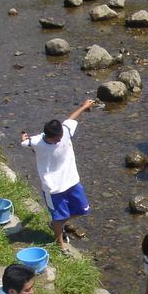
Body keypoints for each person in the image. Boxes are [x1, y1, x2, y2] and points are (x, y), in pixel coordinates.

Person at [21, 99, 94, 250]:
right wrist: (24, 139)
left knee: (83, 209)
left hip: (72, 181)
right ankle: (60, 243)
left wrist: (84, 106)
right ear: (47, 136)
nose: (59, 140)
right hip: (53, 188)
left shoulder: (65, 130)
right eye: (56, 139)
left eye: (60, 138)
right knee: (59, 217)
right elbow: (25, 142)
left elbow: (71, 118)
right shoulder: (36, 142)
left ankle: (56, 224)